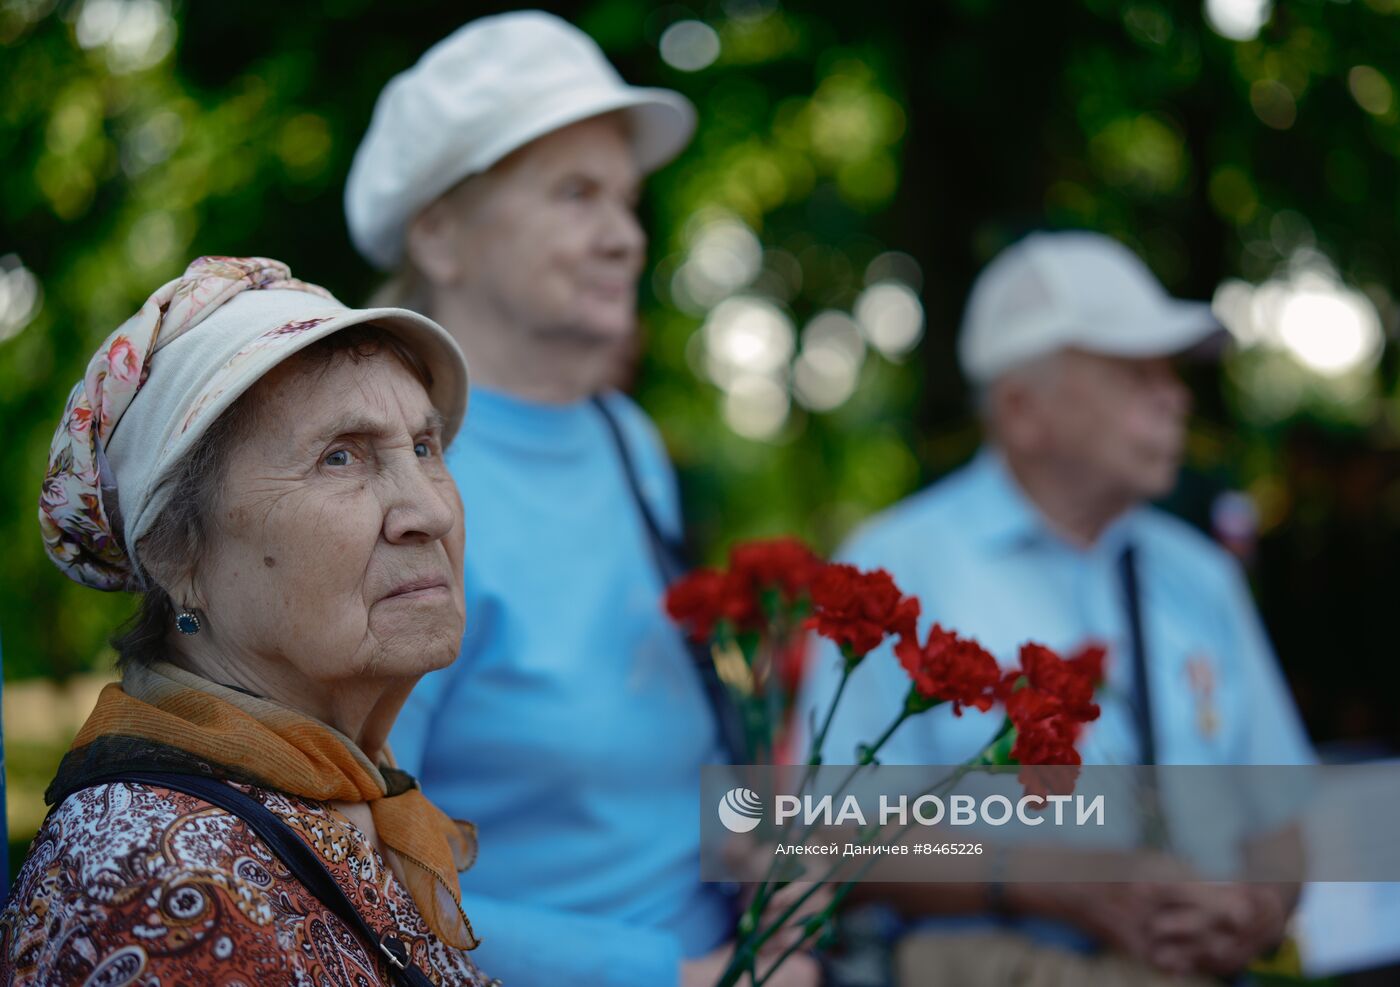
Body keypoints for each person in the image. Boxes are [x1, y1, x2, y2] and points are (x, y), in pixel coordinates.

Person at [345, 11, 819, 987]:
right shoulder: (387, 489)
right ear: (439, 233)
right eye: (574, 195)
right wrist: (680, 978)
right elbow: (357, 872)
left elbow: (646, 745)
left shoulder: (624, 439)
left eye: (626, 200)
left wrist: (763, 848)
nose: (623, 238)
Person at [799, 231, 1313, 984]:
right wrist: (1048, 880)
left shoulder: (1200, 576)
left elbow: (1281, 823)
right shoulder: (895, 567)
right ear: (1022, 410)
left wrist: (1253, 912)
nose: (1173, 395)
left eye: (1169, 370)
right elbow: (832, 831)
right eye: (1133, 372)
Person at [0, 256, 490, 986]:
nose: (432, 510)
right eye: (340, 457)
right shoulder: (158, 898)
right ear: (177, 553)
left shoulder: (335, 790)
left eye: (425, 448)